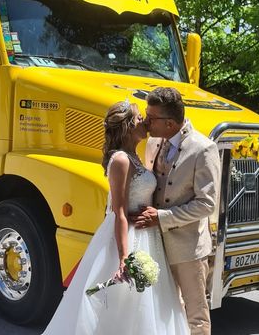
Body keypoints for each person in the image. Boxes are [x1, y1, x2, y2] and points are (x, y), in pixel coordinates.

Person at [42, 100, 189, 335]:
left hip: (146, 235)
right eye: (140, 118)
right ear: (129, 126)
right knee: (122, 306)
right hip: (127, 237)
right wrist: (123, 258)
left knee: (144, 306)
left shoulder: (135, 155)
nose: (146, 121)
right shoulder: (121, 159)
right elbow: (119, 211)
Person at [135, 87, 221, 335]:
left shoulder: (203, 149)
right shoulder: (153, 142)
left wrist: (162, 218)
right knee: (164, 310)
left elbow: (207, 203)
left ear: (170, 123)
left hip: (188, 248)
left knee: (196, 316)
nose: (146, 121)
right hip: (155, 245)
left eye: (151, 118)